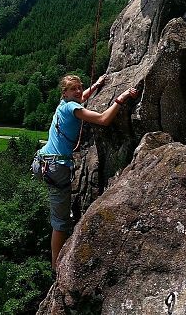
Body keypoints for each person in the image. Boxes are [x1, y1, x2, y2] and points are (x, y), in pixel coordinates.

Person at [38, 74, 138, 271]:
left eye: (79, 87)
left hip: (43, 161)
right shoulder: (72, 108)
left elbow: (80, 98)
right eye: (73, 88)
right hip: (56, 167)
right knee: (60, 223)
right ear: (65, 92)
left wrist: (96, 85)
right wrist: (122, 97)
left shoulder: (63, 104)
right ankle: (56, 268)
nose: (77, 91)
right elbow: (103, 119)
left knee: (60, 216)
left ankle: (55, 262)